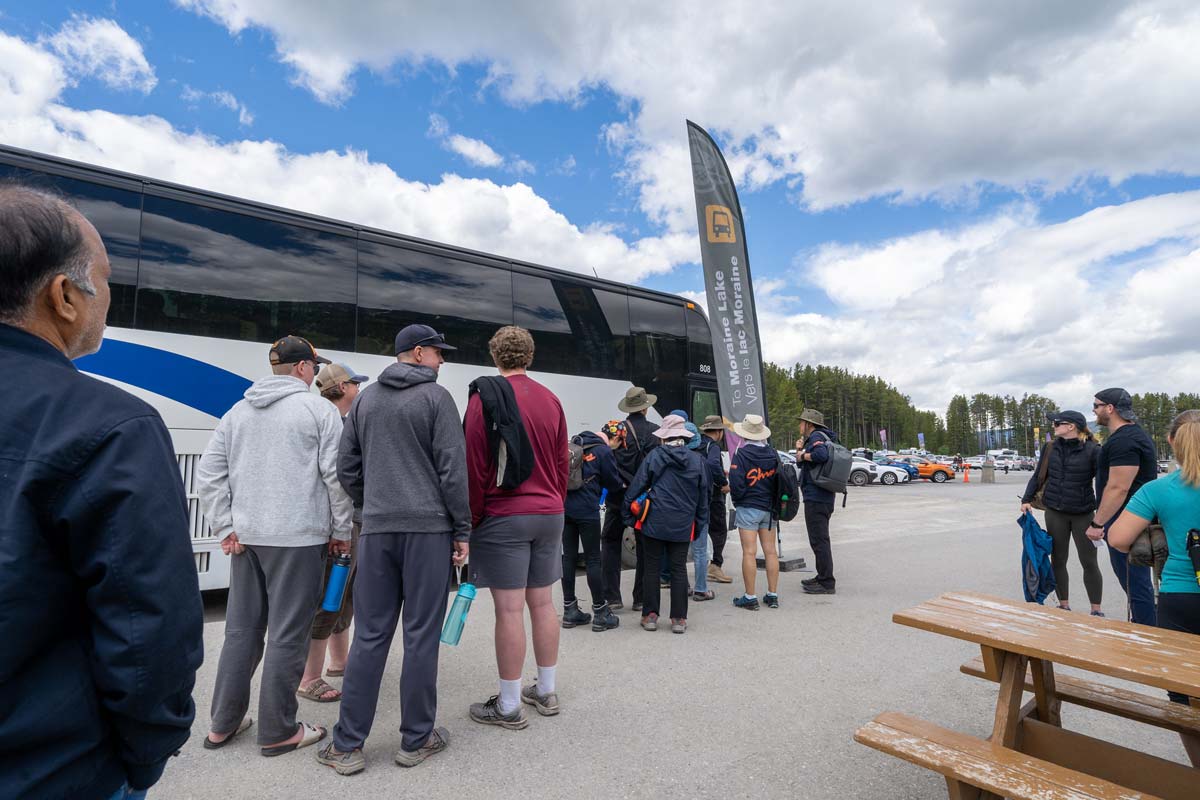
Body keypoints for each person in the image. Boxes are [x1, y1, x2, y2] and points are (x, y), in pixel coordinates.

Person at [0, 184, 204, 799]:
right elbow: (150, 630)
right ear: (64, 296)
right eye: (108, 279)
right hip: (54, 770)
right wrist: (145, 757)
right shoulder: (110, 424)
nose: (111, 298)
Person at [316, 325, 469, 776]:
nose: (442, 361)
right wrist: (462, 528)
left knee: (370, 635)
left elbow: (346, 466)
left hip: (377, 530)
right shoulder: (437, 399)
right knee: (421, 636)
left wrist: (374, 504)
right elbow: (452, 470)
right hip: (428, 532)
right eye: (438, 353)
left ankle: (347, 745)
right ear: (418, 353)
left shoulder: (365, 399)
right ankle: (416, 740)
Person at [198, 335, 353, 758]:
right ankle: (278, 730)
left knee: (241, 632)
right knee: (288, 634)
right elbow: (335, 477)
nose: (315, 374)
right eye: (314, 367)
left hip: (247, 539)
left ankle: (223, 724)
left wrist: (225, 526)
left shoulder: (238, 411)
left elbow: (209, 473)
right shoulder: (318, 410)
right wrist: (342, 529)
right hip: (299, 539)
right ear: (302, 368)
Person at [465, 326, 570, 728]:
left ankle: (509, 705)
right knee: (543, 604)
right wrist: (554, 502)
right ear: (530, 356)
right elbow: (561, 463)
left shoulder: (485, 398)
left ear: (495, 357)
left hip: (505, 514)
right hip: (549, 512)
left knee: (509, 609)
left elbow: (475, 466)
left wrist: (472, 519)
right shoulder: (551, 399)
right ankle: (546, 690)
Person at [1108, 409, 1200, 767]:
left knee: (1183, 696)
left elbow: (1118, 538)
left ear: (1172, 442)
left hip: (1181, 597)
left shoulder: (1159, 490)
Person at [298, 363, 370, 704]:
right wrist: (340, 527)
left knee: (345, 594)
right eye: (355, 384)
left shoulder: (344, 422)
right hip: (339, 526)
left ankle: (339, 662)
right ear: (342, 387)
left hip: (350, 521)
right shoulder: (331, 425)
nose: (359, 389)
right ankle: (309, 678)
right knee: (330, 596)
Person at [622, 415, 710, 633]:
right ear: (684, 437)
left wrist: (628, 516)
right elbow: (704, 497)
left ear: (664, 437)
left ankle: (650, 616)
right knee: (678, 569)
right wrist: (699, 524)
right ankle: (679, 619)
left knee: (652, 568)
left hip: (654, 521)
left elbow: (637, 486)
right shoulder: (697, 460)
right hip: (683, 523)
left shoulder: (655, 456)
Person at [1020, 411, 1104, 615]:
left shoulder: (1094, 450)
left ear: (1071, 427)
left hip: (1083, 513)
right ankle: (1063, 605)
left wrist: (1101, 518)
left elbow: (1103, 484)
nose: (1054, 426)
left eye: (1058, 423)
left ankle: (1096, 610)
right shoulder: (1050, 447)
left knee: (1089, 561)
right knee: (1058, 559)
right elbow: (1038, 475)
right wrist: (1026, 499)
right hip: (1055, 512)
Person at [1091, 388, 1158, 625]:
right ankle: (1145, 624)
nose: (1094, 410)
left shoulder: (1125, 440)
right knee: (1135, 583)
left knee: (1135, 583)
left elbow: (1118, 487)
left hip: (1128, 521)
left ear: (1110, 408)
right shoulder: (1128, 436)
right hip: (1128, 518)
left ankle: (1147, 632)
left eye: (1097, 405)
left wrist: (1097, 523)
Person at [601, 386, 660, 611]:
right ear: (645, 408)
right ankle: (641, 598)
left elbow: (607, 461)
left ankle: (612, 597)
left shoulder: (617, 430)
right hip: (643, 500)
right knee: (645, 547)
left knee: (610, 543)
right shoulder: (656, 433)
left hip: (617, 496)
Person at [562, 426, 623, 631]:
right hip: (587, 510)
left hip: (565, 508)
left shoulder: (572, 444)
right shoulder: (603, 451)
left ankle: (570, 610)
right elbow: (613, 483)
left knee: (568, 557)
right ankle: (600, 612)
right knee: (593, 559)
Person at [729, 414, 780, 610]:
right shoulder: (773, 454)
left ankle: (750, 597)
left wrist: (739, 500)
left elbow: (736, 484)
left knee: (749, 552)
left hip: (748, 506)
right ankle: (772, 595)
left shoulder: (741, 454)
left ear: (745, 434)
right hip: (769, 508)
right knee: (771, 551)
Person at [795, 408, 838, 595]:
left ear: (809, 424)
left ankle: (827, 582)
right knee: (819, 539)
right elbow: (803, 463)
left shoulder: (816, 437)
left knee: (819, 540)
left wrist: (803, 454)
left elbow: (821, 455)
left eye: (801, 422)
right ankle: (822, 577)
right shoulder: (819, 438)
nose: (799, 425)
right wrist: (800, 451)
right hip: (822, 496)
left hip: (817, 497)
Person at [698, 415, 732, 583]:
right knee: (719, 530)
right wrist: (723, 482)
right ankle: (715, 565)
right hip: (713, 494)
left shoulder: (697, 445)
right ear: (718, 432)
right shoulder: (713, 447)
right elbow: (712, 464)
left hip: (697, 493)